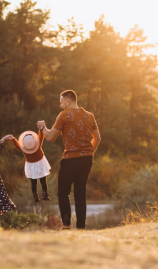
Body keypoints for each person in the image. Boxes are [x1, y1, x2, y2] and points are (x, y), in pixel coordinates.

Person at [37, 90, 101, 230]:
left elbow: (51, 137)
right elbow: (97, 138)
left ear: (68, 101)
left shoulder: (64, 115)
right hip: (87, 159)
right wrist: (88, 152)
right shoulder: (90, 116)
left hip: (71, 160)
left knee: (63, 193)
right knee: (80, 194)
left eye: (61, 102)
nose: (60, 105)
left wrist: (42, 127)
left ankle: (66, 226)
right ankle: (81, 228)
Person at [12, 130, 51, 203]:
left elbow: (17, 145)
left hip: (31, 165)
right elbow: (41, 137)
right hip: (40, 163)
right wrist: (40, 129)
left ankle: (35, 196)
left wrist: (13, 139)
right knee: (43, 180)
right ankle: (45, 194)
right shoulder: (37, 145)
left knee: (33, 182)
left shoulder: (24, 149)